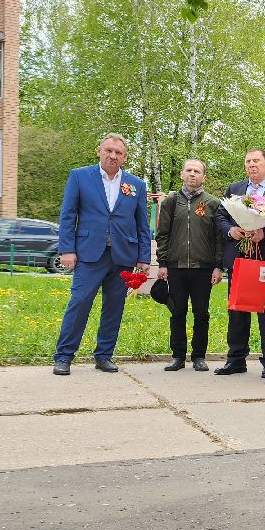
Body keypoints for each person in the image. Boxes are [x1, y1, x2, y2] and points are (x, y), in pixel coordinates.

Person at [52, 133, 150, 375]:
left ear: (125, 157)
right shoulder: (80, 176)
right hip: (88, 254)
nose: (112, 156)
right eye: (108, 150)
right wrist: (67, 249)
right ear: (99, 151)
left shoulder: (136, 185)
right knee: (80, 302)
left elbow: (142, 223)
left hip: (123, 255)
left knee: (114, 307)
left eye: (118, 153)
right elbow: (68, 215)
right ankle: (64, 356)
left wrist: (144, 257)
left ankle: (104, 355)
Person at [213, 149, 265, 379]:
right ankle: (236, 359)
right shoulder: (235, 189)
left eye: (256, 161)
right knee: (237, 309)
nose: (251, 165)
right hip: (240, 257)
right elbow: (220, 216)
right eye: (248, 162)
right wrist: (231, 230)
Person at [155, 157, 223, 371]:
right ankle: (177, 355)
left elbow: (218, 238)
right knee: (177, 312)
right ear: (182, 174)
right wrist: (163, 263)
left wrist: (218, 266)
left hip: (203, 268)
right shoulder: (170, 202)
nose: (192, 174)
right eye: (189, 170)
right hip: (176, 267)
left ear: (204, 176)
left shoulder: (213, 203)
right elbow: (162, 234)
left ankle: (199, 356)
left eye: (197, 171)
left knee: (201, 313)